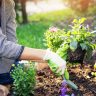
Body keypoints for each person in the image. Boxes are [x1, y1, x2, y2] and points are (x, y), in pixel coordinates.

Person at [0, 0, 66, 96]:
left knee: (37, 65)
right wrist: (46, 54)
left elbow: (11, 43)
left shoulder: (7, 4)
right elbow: (2, 46)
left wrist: (5, 78)